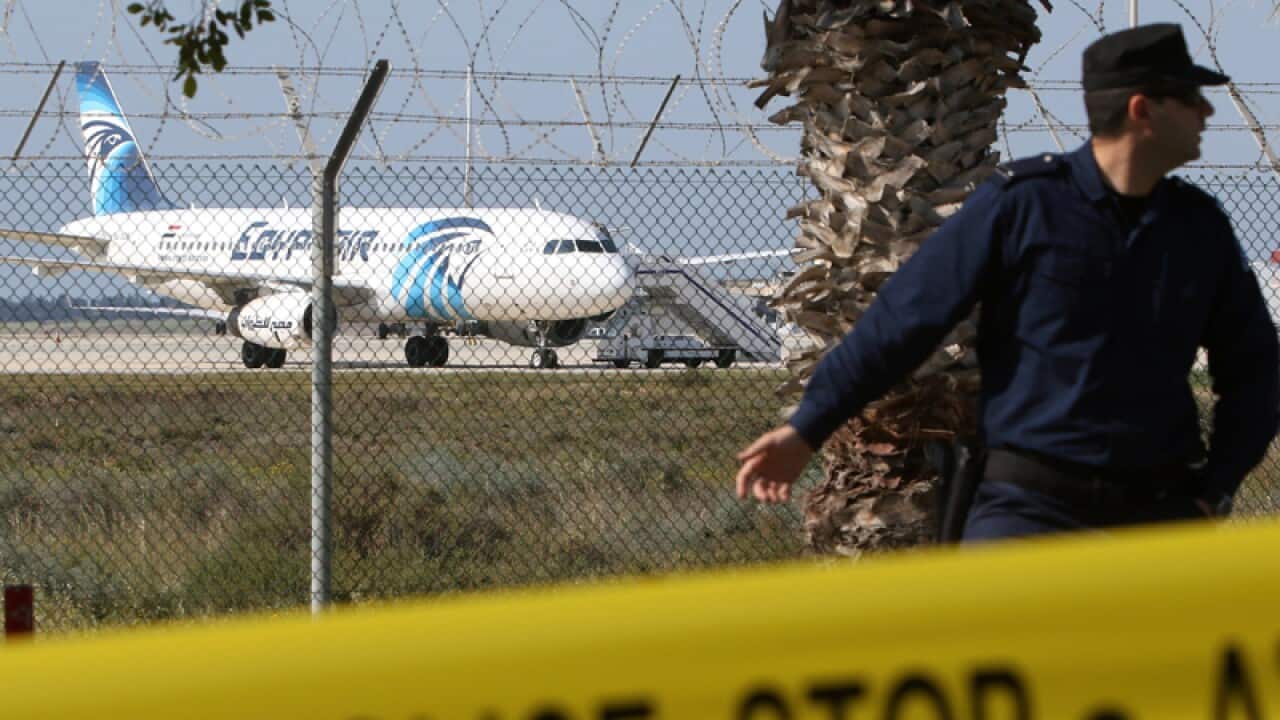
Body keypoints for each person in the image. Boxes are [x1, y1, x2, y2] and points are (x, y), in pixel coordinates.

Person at [734, 23, 1280, 541]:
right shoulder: (1025, 205)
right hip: (1032, 509)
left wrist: (1216, 488)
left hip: (1158, 513)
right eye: (1190, 97)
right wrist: (809, 427)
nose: (1207, 111)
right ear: (1142, 109)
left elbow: (1256, 369)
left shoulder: (1197, 227)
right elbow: (903, 321)